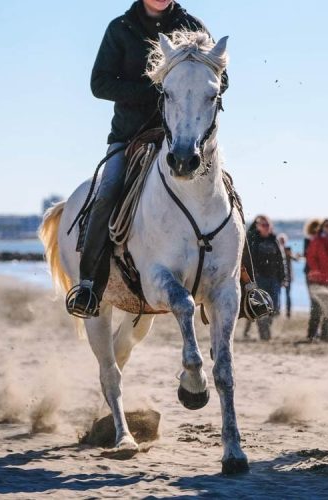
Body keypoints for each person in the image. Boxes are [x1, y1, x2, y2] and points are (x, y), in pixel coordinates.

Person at [66, 0, 226, 317]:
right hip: (129, 136)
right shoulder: (120, 29)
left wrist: (189, 88)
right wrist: (157, 90)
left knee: (227, 190)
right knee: (107, 189)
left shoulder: (194, 26)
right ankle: (88, 286)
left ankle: (248, 286)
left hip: (184, 137)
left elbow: (221, 79)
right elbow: (99, 84)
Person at [244, 215, 287, 340]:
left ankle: (266, 328)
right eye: (263, 225)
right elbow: (249, 260)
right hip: (259, 278)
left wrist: (283, 277)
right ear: (258, 227)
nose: (266, 227)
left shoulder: (274, 240)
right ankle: (264, 334)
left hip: (274, 279)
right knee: (261, 306)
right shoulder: (254, 241)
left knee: (275, 307)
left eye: (268, 225)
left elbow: (281, 259)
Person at [277, 233, 298, 318]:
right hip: (278, 276)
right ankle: (277, 311)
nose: (282, 242)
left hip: (288, 276)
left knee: (288, 295)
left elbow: (295, 259)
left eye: (283, 240)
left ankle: (288, 313)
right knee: (277, 295)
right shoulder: (276, 249)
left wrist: (291, 255)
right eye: (280, 240)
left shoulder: (288, 249)